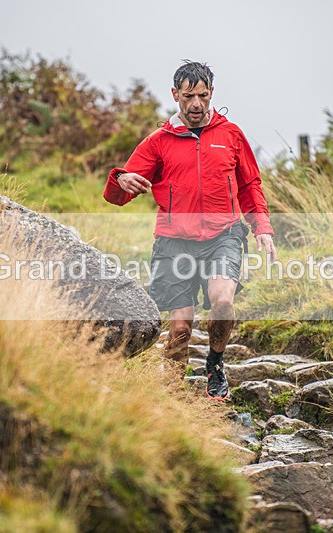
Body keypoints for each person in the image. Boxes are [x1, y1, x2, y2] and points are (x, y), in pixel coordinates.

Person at [103, 61, 277, 400]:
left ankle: (215, 363)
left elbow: (250, 185)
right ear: (175, 95)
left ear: (211, 94)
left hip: (224, 235)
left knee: (222, 301)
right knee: (181, 327)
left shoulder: (231, 135)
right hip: (174, 242)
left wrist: (262, 227)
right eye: (188, 97)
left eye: (203, 96)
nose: (196, 104)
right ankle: (171, 394)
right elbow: (118, 195)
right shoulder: (157, 142)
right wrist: (120, 179)